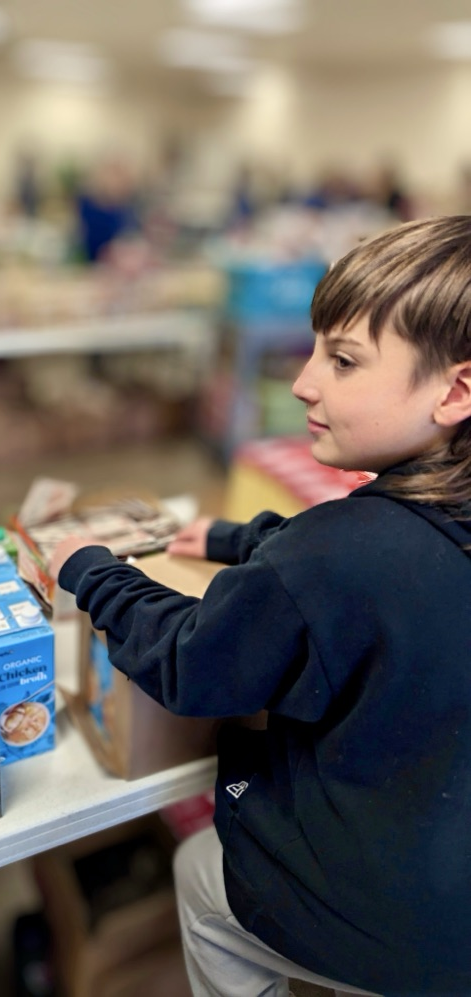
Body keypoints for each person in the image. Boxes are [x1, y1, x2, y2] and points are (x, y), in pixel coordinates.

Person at [49, 215, 471, 997]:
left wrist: (89, 568)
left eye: (342, 361)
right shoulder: (399, 529)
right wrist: (237, 536)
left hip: (414, 928)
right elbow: (353, 567)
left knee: (198, 873)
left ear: (455, 389)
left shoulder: (339, 553)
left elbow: (188, 656)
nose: (304, 381)